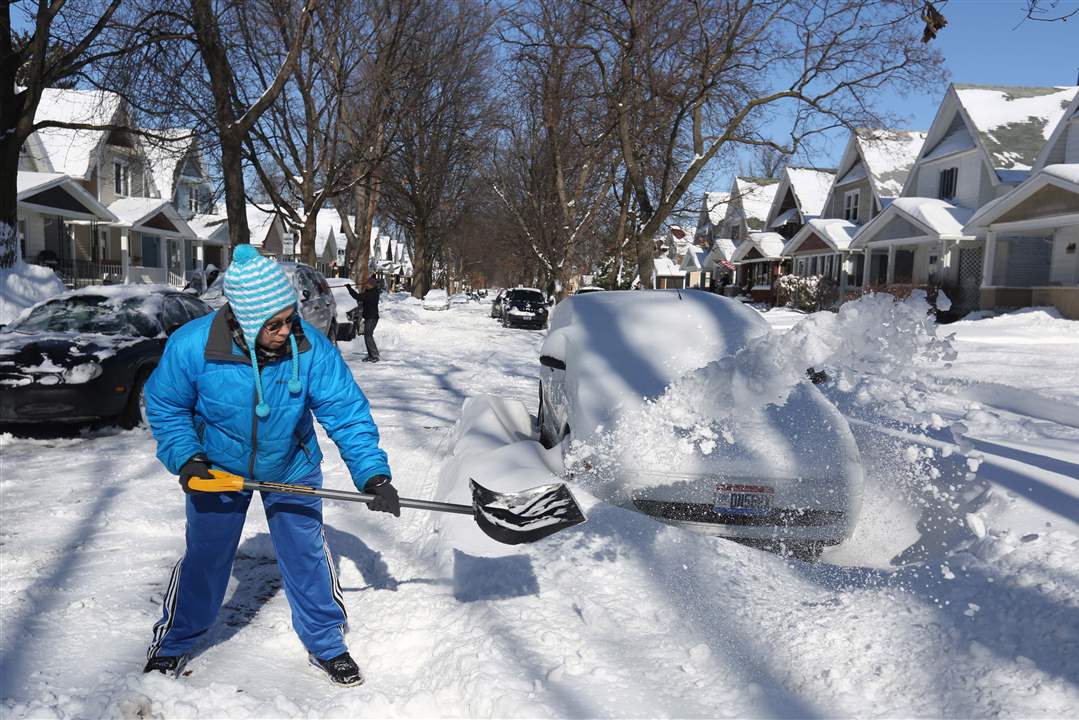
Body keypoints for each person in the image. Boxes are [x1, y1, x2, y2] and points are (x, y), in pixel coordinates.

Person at [141, 244, 400, 687]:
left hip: (291, 463)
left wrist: (372, 472)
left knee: (306, 555)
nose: (285, 330)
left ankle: (326, 641)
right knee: (205, 558)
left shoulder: (310, 346)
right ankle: (175, 640)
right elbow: (165, 406)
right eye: (273, 323)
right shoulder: (193, 346)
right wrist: (187, 458)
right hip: (218, 468)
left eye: (289, 319)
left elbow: (345, 410)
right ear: (244, 318)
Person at [347, 276, 381, 362]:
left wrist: (350, 289)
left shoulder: (371, 294)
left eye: (368, 284)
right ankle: (371, 355)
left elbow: (358, 297)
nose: (366, 285)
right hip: (370, 317)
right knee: (367, 336)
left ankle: (374, 355)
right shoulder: (370, 291)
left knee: (368, 336)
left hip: (372, 318)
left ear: (372, 285)